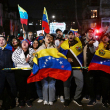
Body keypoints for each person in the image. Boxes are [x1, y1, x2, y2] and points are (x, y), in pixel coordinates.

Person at [59, 31, 83, 107]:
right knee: (66, 85)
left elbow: (81, 57)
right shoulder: (63, 45)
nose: (70, 36)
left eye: (72, 34)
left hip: (77, 68)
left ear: (74, 35)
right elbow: (60, 56)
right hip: (66, 68)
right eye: (69, 35)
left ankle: (76, 98)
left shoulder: (78, 43)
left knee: (80, 83)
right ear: (67, 36)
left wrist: (81, 66)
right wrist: (66, 59)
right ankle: (67, 99)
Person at [12, 39, 34, 108]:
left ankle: (28, 99)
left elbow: (34, 59)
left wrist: (29, 60)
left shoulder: (31, 50)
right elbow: (14, 59)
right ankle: (21, 100)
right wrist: (24, 60)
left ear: (28, 44)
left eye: (26, 42)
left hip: (28, 71)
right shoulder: (17, 51)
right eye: (23, 42)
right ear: (21, 44)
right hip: (19, 71)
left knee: (29, 86)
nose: (24, 43)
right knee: (21, 86)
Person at [36, 34, 56, 105]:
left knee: (51, 84)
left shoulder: (54, 47)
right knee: (45, 84)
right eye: (47, 36)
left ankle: (51, 99)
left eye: (50, 37)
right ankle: (45, 99)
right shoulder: (40, 48)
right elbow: (35, 56)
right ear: (44, 39)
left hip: (52, 69)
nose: (49, 38)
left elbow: (57, 57)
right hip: (43, 69)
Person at [81, 28, 99, 106]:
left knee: (91, 83)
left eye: (92, 32)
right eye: (89, 32)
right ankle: (87, 95)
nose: (91, 33)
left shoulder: (96, 42)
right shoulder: (82, 42)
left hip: (91, 66)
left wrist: (91, 45)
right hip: (83, 66)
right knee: (86, 82)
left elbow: (93, 52)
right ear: (85, 34)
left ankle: (93, 99)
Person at [0, 35, 17, 109]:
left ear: (5, 40)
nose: (1, 41)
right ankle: (2, 102)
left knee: (12, 88)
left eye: (2, 39)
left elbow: (15, 61)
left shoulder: (11, 49)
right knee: (1, 88)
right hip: (1, 73)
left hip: (10, 72)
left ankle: (13, 102)